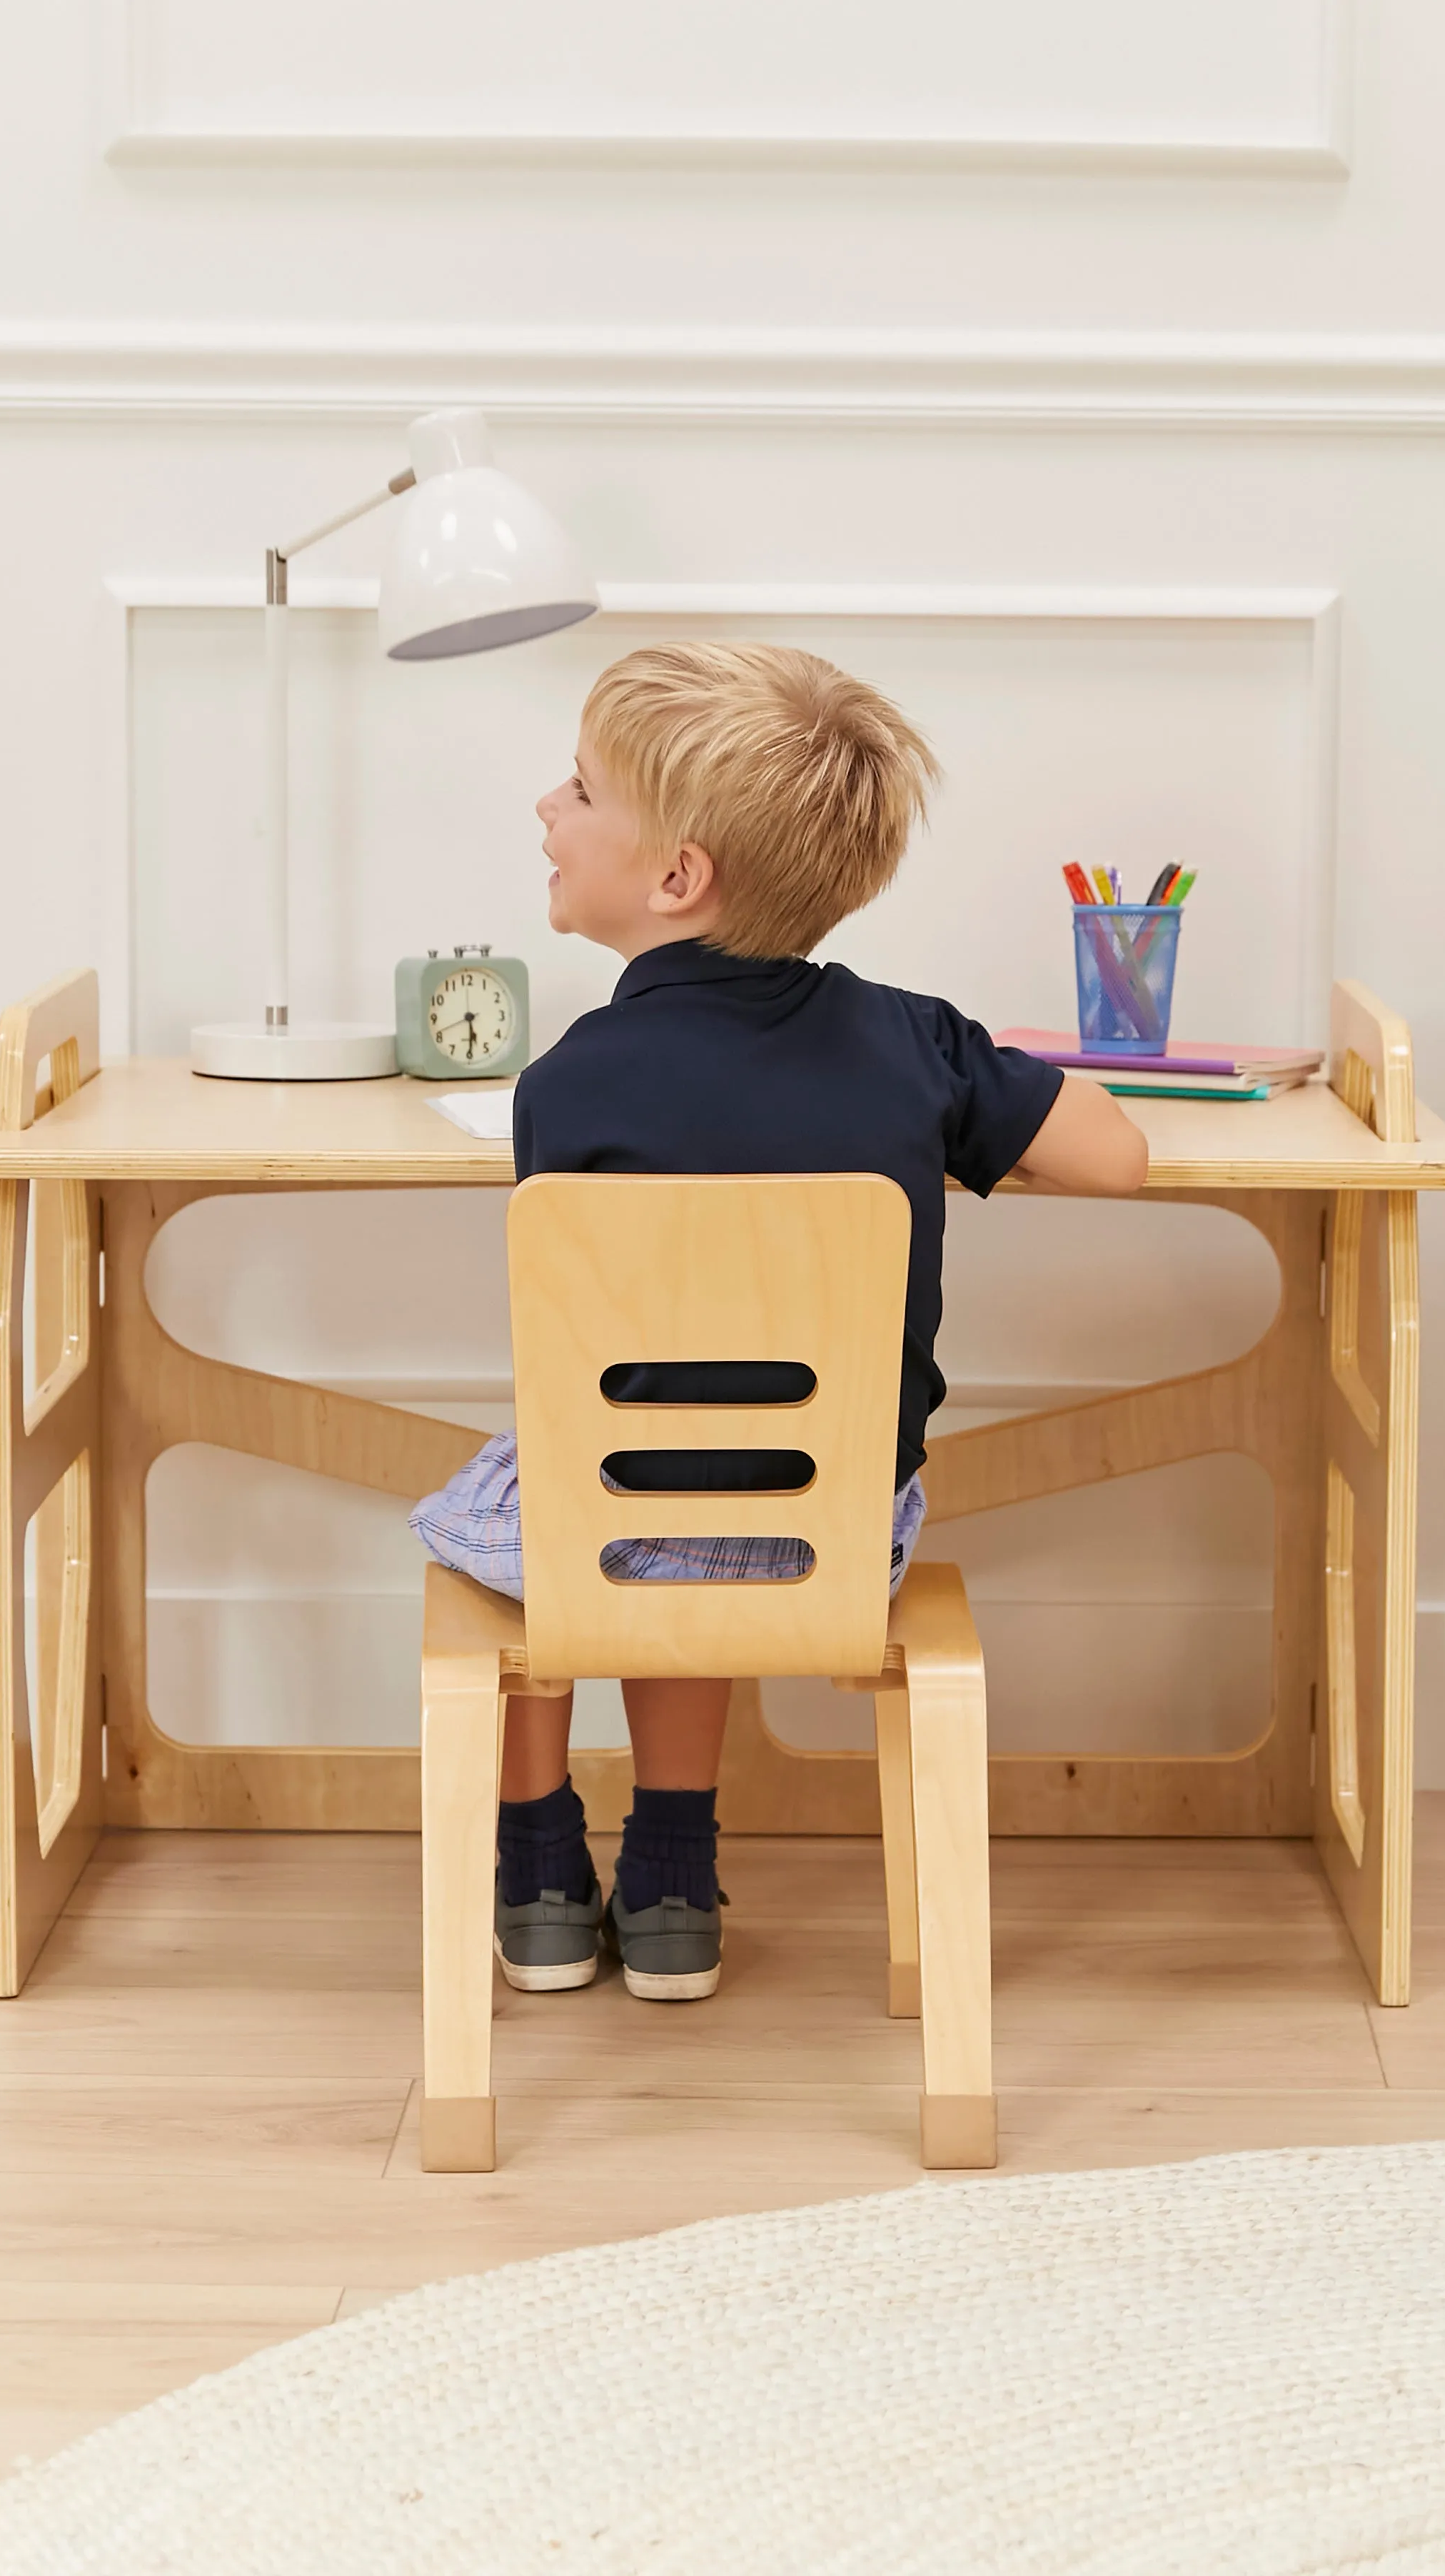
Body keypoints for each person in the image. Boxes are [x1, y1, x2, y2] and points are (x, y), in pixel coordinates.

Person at [411, 642, 1147, 2003]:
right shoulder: (914, 1042)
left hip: (618, 1520)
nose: (545, 810)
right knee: (701, 1495)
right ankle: (675, 1877)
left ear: (677, 877)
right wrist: (961, 1113)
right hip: (837, 1534)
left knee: (553, 1511)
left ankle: (539, 1866)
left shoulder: (568, 1084)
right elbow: (1118, 1159)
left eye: (579, 791)